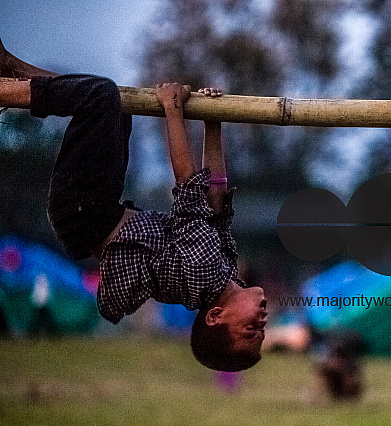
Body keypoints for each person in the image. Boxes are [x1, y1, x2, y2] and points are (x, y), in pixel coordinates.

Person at [0, 39, 267, 371]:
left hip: (85, 211)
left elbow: (188, 187)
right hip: (96, 211)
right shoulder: (222, 271)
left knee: (100, 97)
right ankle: (16, 76)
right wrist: (213, 122)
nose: (263, 320)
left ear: (216, 315)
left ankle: (8, 91)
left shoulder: (204, 274)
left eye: (251, 328)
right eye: (262, 329)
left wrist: (173, 109)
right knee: (118, 107)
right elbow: (216, 197)